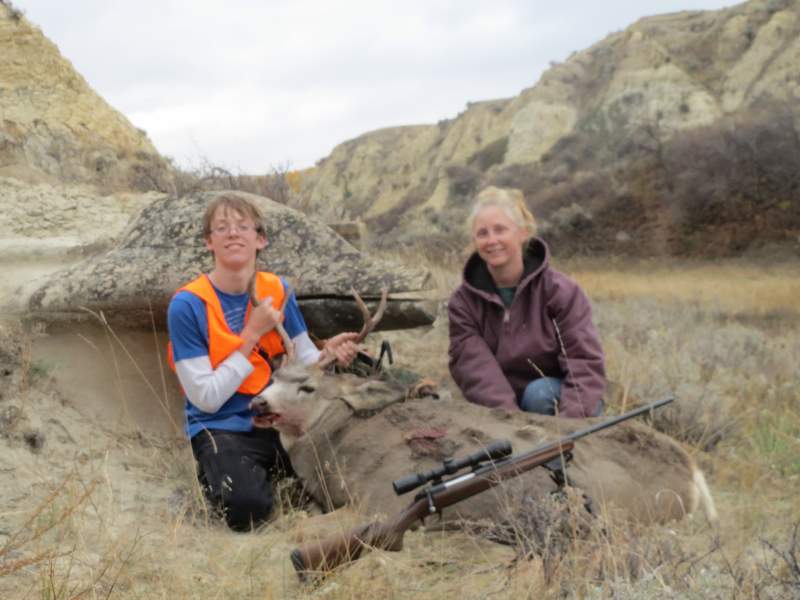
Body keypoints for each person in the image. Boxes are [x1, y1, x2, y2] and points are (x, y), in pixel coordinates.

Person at [167, 194, 358, 531]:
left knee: (348, 473)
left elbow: (304, 361)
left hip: (282, 418)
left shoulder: (278, 289)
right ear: (209, 242)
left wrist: (329, 355)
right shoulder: (188, 305)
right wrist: (252, 333)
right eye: (222, 228)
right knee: (247, 511)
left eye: (243, 226)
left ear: (260, 239)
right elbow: (206, 398)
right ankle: (223, 475)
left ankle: (283, 477)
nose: (233, 234)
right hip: (225, 426)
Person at [448, 186, 605, 418]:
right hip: (503, 407)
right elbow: (476, 371)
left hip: (565, 401)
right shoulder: (463, 303)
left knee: (539, 394)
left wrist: (569, 428)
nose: (492, 240)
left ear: (523, 232)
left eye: (500, 230)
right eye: (483, 233)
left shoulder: (561, 291)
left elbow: (583, 362)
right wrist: (512, 423)